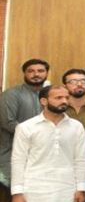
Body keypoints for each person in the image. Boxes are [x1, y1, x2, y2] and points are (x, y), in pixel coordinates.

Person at [11, 85, 85, 202]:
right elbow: (18, 160)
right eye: (58, 97)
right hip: (34, 189)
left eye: (66, 97)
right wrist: (17, 193)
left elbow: (81, 159)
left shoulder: (76, 127)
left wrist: (81, 189)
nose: (64, 101)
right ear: (44, 101)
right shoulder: (26, 127)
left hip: (65, 189)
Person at [0, 58, 50, 187]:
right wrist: (37, 136)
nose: (36, 74)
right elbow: (8, 122)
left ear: (46, 73)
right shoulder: (11, 94)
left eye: (40, 71)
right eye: (31, 71)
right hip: (12, 153)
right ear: (25, 73)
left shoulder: (52, 96)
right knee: (18, 191)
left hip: (42, 155)